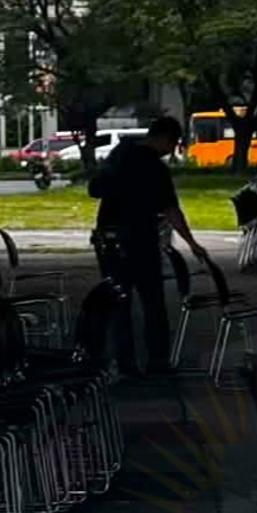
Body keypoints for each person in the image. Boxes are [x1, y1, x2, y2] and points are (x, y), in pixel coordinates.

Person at [87, 115, 195, 376]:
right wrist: (192, 242)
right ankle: (157, 360)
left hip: (110, 239)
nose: (171, 150)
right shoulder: (156, 169)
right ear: (165, 139)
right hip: (141, 239)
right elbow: (171, 210)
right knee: (152, 302)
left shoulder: (119, 154)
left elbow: (95, 188)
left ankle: (126, 362)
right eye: (173, 144)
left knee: (119, 303)